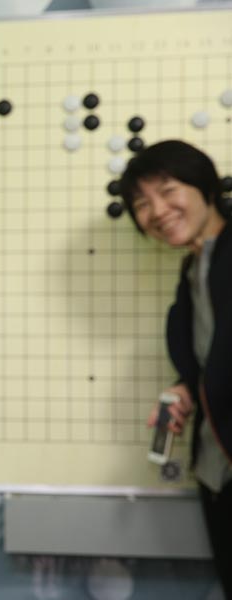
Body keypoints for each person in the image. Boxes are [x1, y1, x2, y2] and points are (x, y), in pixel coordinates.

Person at [119, 139, 231, 598]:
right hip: (216, 471)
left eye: (168, 191)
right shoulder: (193, 273)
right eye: (142, 204)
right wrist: (190, 387)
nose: (157, 210)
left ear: (204, 187)